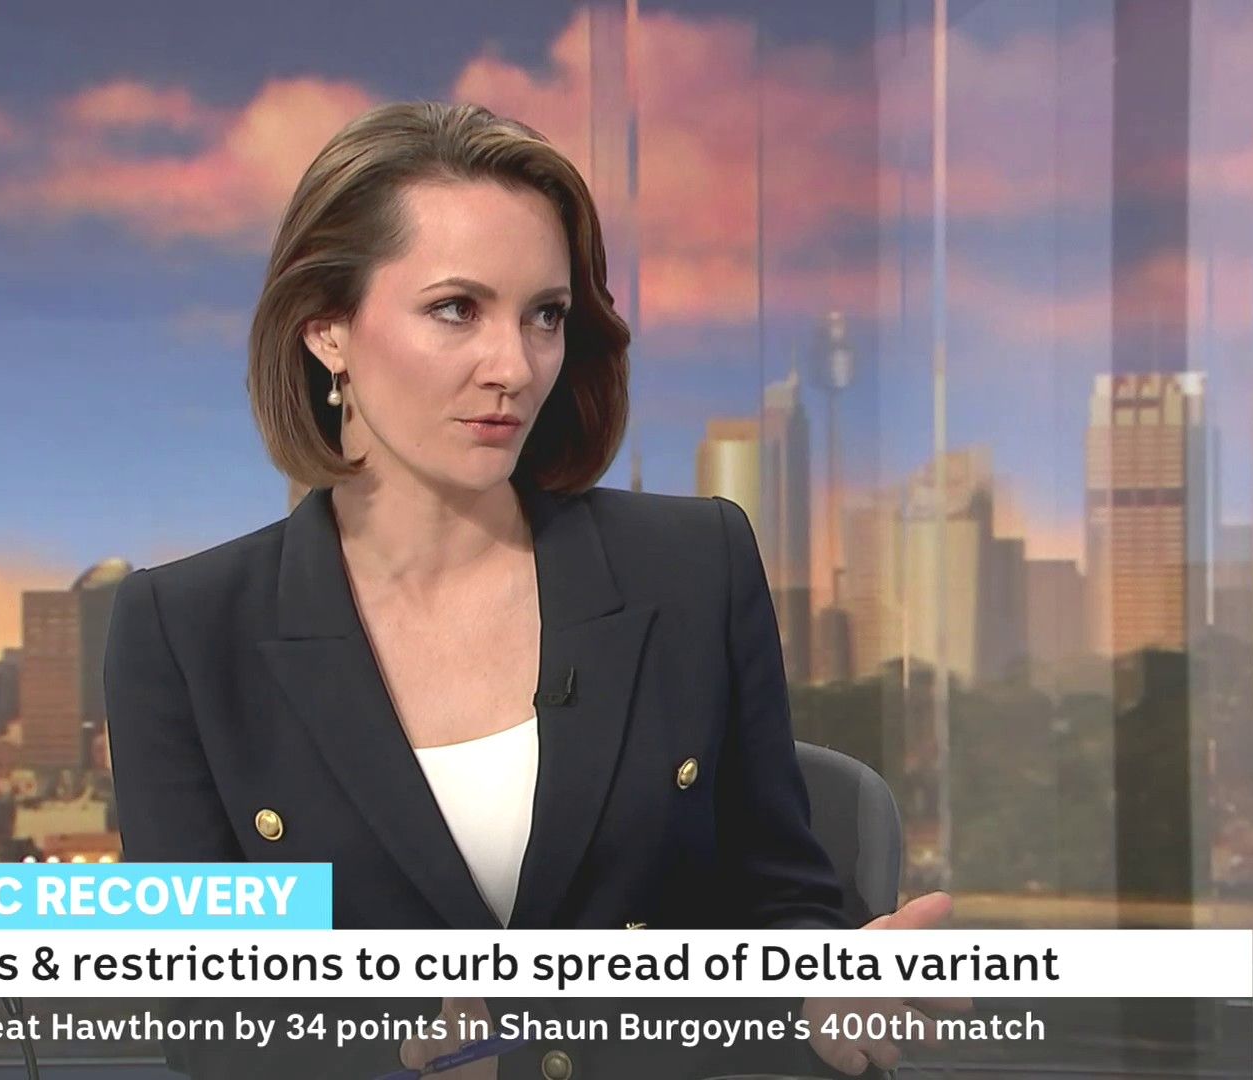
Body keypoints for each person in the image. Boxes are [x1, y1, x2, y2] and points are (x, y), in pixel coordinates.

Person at [105, 100, 958, 1079]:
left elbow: (782, 905)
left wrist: (821, 991)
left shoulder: (696, 566)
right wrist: (393, 1049)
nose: (513, 366)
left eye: (545, 316)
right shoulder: (182, 631)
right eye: (456, 309)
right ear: (328, 329)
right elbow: (203, 1012)